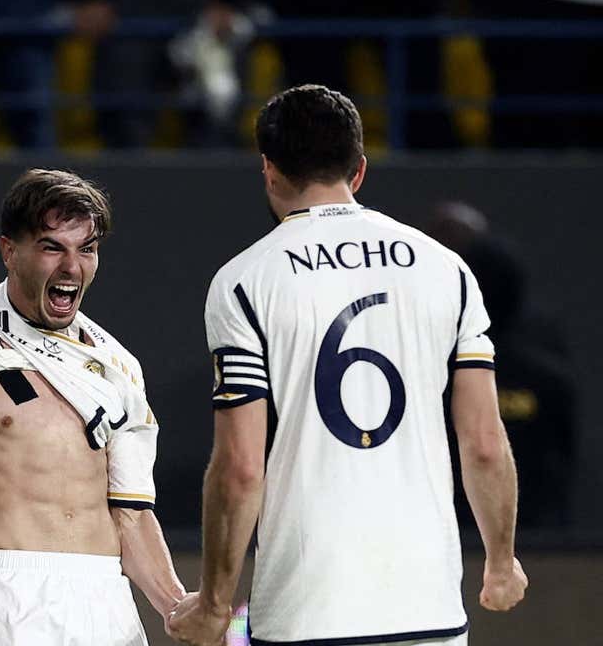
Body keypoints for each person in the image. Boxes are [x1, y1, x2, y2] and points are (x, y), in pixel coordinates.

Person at [167, 84, 527, 646]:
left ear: (268, 169)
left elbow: (240, 467)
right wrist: (502, 561)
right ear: (359, 170)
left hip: (307, 612)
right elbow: (483, 440)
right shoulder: (447, 270)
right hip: (426, 609)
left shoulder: (245, 281)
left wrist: (215, 604)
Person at [0, 168, 185, 645]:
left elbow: (132, 513)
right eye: (53, 247)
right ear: (9, 251)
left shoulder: (118, 368)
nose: (71, 267)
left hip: (107, 601)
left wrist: (176, 607)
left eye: (87, 249)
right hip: (7, 596)